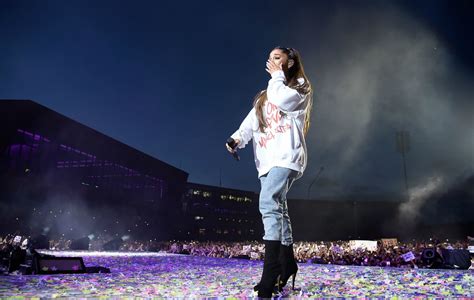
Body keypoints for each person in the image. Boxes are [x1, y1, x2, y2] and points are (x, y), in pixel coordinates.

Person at [226, 46, 313, 297]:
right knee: (279, 208)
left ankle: (270, 273)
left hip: (286, 156)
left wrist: (276, 76)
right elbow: (251, 121)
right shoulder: (266, 94)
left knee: (268, 202)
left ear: (290, 61)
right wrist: (236, 139)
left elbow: (283, 100)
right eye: (270, 58)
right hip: (266, 160)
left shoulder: (299, 87)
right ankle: (287, 264)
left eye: (278, 57)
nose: (272, 62)